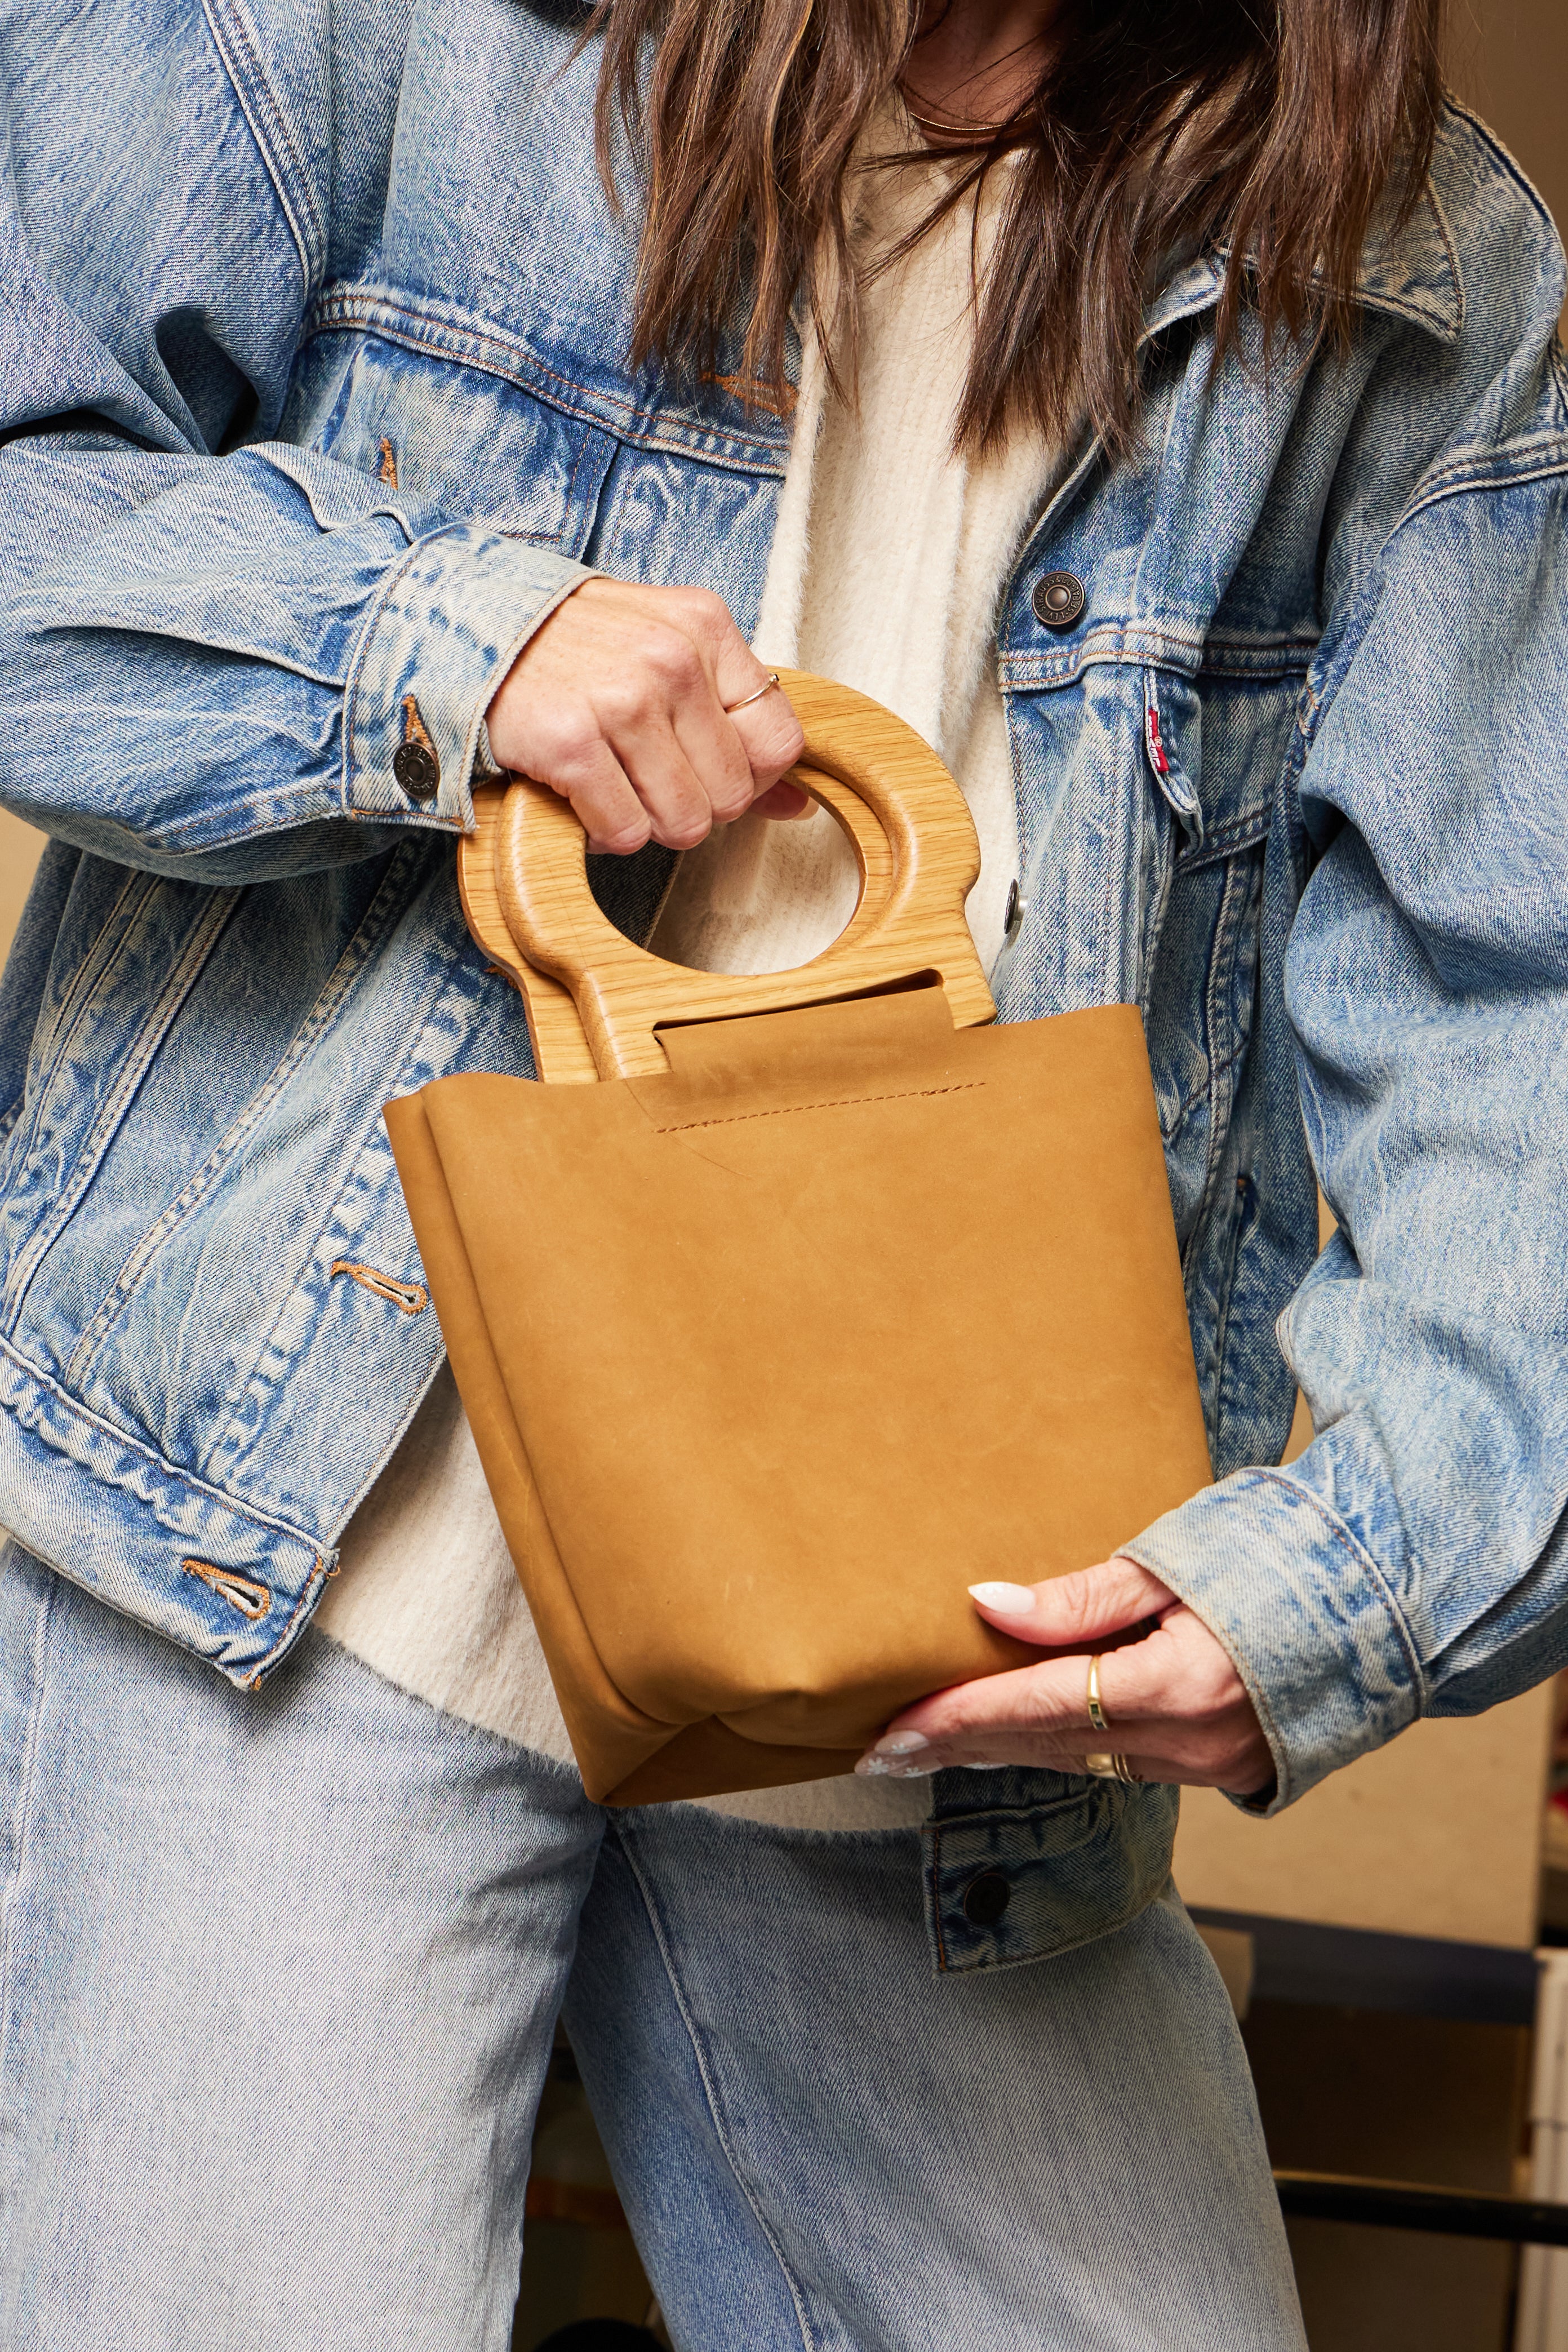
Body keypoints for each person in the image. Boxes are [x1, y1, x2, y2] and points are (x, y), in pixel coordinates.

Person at [0, 0, 1561, 2341]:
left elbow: (1509, 1003)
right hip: (291, 1550)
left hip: (954, 1663)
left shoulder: (1423, 277)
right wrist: (445, 641)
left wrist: (1366, 1572)